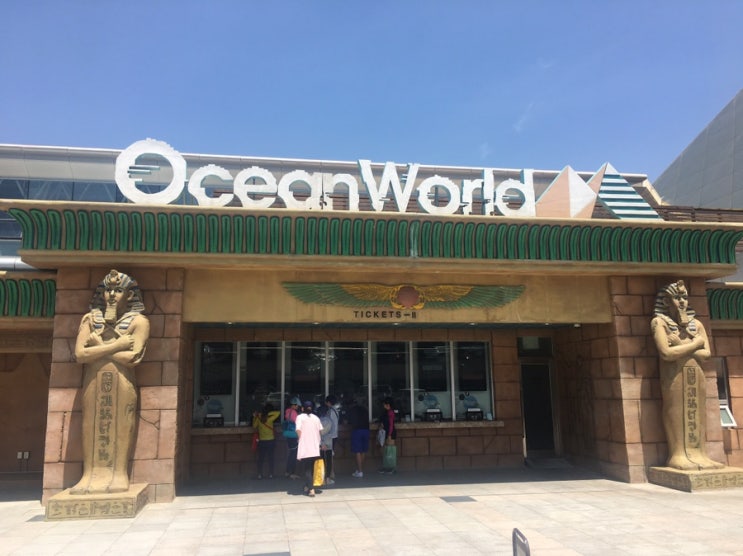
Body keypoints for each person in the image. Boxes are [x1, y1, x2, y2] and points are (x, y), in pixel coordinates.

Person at [70, 269, 150, 494]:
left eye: (118, 290)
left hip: (123, 381)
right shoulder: (90, 319)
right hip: (93, 381)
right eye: (108, 290)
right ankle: (88, 475)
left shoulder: (139, 321)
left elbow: (132, 358)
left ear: (130, 295)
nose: (112, 295)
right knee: (91, 423)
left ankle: (119, 474)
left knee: (123, 423)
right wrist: (117, 345)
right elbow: (80, 355)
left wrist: (98, 347)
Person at [651, 280, 724, 470]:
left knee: (697, 411)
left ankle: (700, 454)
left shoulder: (697, 324)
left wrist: (681, 345)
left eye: (684, 297)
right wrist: (694, 344)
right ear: (666, 302)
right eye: (677, 297)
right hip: (673, 375)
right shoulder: (659, 322)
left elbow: (706, 354)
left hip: (696, 373)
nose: (682, 301)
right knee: (675, 410)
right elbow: (666, 353)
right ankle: (677, 454)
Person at [295, 400, 323, 496]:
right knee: (311, 468)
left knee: (307, 469)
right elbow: (320, 431)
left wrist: (300, 439)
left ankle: (311, 489)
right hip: (315, 446)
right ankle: (307, 486)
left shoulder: (300, 417)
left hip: (305, 446)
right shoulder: (316, 418)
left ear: (303, 408)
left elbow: (298, 430)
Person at [252, 403, 280, 479]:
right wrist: (268, 413)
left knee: (261, 458)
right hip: (271, 441)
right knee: (271, 458)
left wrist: (256, 416)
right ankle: (271, 474)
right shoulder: (270, 419)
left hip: (262, 441)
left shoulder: (258, 419)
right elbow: (278, 413)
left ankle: (260, 474)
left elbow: (254, 426)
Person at [349, 399, 370, 478]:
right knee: (363, 451)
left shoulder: (352, 410)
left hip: (357, 430)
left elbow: (348, 421)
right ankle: (359, 470)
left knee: (357, 451)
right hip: (366, 430)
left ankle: (360, 471)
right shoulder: (365, 409)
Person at [321, 395, 340, 484]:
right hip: (334, 435)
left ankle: (330, 474)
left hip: (329, 436)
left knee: (328, 456)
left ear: (328, 402)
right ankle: (331, 474)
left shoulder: (330, 412)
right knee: (330, 455)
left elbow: (327, 424)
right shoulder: (336, 411)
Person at [283, 397, 301, 479]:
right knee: (293, 455)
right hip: (294, 435)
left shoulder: (287, 411)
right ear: (293, 405)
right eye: (297, 405)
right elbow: (298, 423)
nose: (297, 407)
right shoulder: (294, 413)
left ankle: (287, 472)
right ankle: (292, 473)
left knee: (291, 454)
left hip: (288, 435)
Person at [378, 397, 397, 474]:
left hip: (390, 433)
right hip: (385, 432)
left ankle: (392, 467)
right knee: (385, 451)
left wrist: (389, 434)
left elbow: (391, 424)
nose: (383, 406)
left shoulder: (390, 412)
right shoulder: (385, 412)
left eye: (384, 404)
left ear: (388, 405)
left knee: (391, 451)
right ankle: (386, 467)